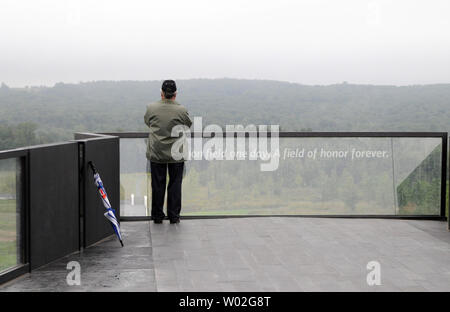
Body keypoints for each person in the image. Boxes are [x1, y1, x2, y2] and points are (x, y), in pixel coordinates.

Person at [144, 80, 192, 224]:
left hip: (157, 152)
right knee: (175, 184)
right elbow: (188, 125)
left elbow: (148, 122)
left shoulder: (151, 108)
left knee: (157, 185)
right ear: (175, 94)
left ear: (162, 93)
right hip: (176, 154)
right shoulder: (182, 110)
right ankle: (174, 216)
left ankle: (158, 216)